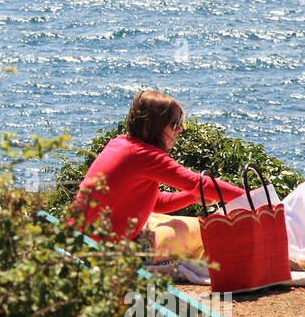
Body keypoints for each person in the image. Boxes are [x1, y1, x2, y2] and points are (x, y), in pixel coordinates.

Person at [69, 90, 246, 247]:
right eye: (175, 124)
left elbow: (155, 203)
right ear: (154, 126)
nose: (180, 130)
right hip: (97, 249)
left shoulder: (120, 144)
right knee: (195, 232)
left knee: (172, 225)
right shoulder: (145, 156)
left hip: (76, 238)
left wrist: (191, 197)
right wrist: (254, 199)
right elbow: (200, 183)